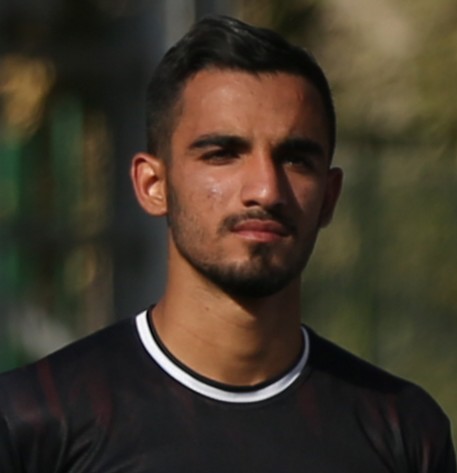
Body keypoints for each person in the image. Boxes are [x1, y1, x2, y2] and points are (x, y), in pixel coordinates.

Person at [0, 15, 455, 473]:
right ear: (153, 185)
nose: (266, 190)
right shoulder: (34, 421)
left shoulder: (402, 430)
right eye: (222, 154)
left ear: (329, 197)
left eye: (295, 159)